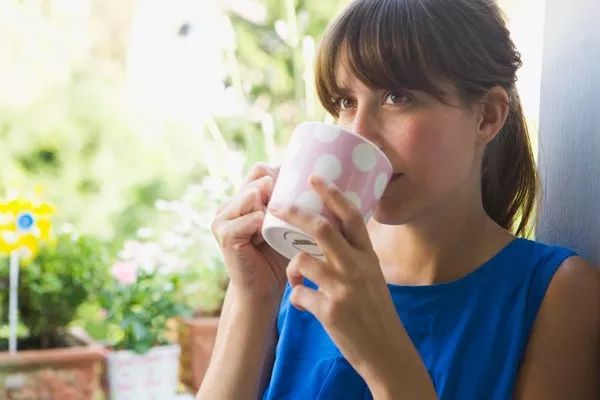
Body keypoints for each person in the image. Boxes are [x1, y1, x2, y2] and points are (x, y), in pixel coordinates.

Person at [198, 0, 600, 399]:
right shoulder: (295, 265)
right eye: (345, 101)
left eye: (397, 96)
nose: (359, 133)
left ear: (488, 116)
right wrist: (252, 297)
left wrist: (385, 361)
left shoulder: (558, 294)